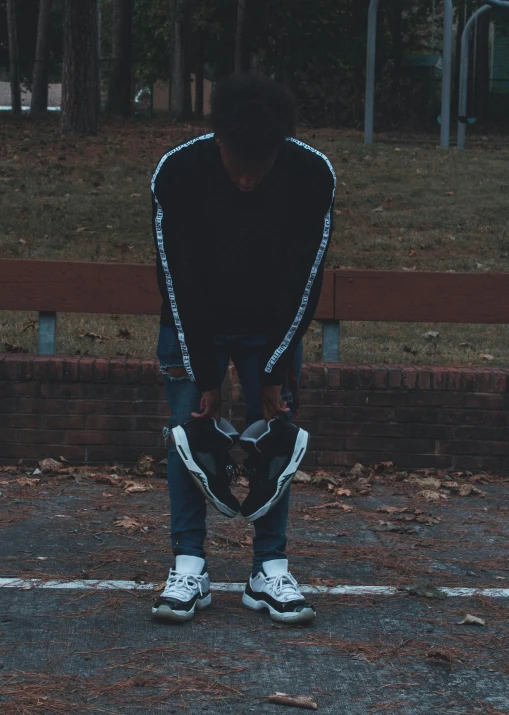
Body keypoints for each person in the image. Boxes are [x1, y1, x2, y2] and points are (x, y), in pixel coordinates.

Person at [150, 75, 335, 625]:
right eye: (238, 167)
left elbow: (307, 279)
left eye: (262, 166)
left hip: (271, 326)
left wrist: (276, 366)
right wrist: (205, 371)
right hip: (193, 323)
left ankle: (268, 569)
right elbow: (175, 277)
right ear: (218, 143)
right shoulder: (179, 172)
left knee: (276, 438)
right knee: (188, 434)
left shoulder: (310, 173)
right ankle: (189, 565)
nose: (249, 180)